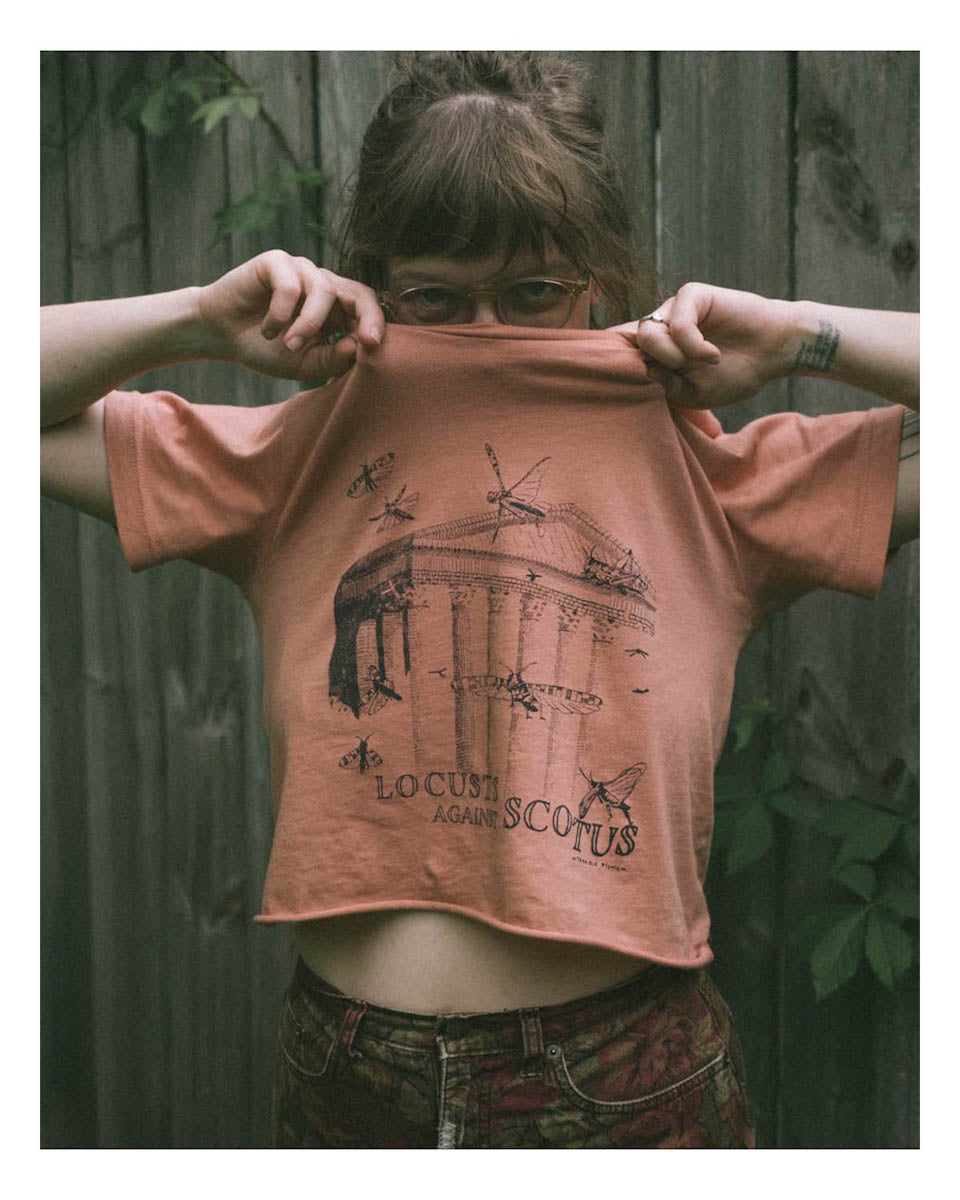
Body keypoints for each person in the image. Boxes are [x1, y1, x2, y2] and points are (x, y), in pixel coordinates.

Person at [40, 51, 919, 1149]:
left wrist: (799, 337)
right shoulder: (297, 454)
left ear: (597, 275)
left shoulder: (711, 476)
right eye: (438, 299)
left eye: (536, 292)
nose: (490, 330)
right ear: (376, 283)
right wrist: (197, 322)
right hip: (348, 1072)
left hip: (619, 1077)